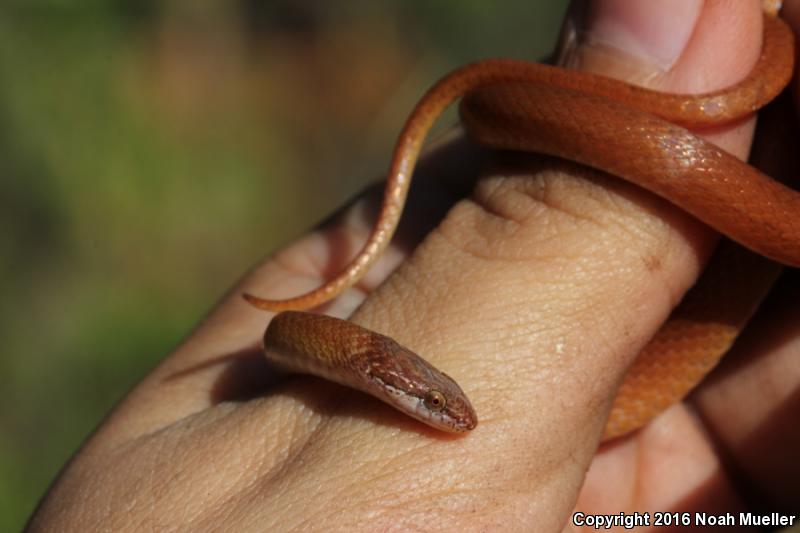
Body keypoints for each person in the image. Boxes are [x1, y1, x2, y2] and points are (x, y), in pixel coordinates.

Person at [28, 0, 800, 530]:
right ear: (389, 376)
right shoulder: (327, 349)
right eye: (432, 399)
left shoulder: (348, 351)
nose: (448, 416)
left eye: (432, 399)